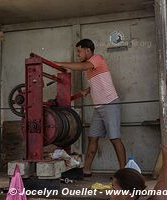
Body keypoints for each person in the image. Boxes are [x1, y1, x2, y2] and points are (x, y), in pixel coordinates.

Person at [54, 39, 126, 176]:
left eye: (79, 51)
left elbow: (82, 66)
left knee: (115, 138)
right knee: (92, 138)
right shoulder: (90, 68)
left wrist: (60, 64)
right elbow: (99, 81)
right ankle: (86, 170)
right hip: (98, 108)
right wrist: (88, 90)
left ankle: (123, 173)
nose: (78, 54)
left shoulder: (97, 58)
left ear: (88, 50)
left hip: (110, 103)